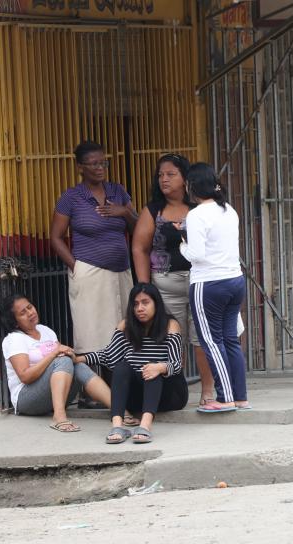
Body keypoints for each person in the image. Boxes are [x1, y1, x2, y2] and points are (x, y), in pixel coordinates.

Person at [130, 153, 241, 407]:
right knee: (170, 338)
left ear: (186, 179)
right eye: (160, 175)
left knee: (202, 340)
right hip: (165, 286)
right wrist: (145, 287)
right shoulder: (153, 210)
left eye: (171, 174)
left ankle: (208, 390)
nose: (164, 179)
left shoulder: (200, 208)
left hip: (201, 282)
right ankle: (175, 392)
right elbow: (139, 248)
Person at [50, 141, 138, 357]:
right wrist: (76, 266)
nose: (100, 168)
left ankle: (116, 389)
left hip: (121, 272)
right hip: (90, 273)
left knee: (124, 336)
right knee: (93, 339)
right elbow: (56, 237)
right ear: (80, 167)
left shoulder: (118, 191)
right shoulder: (71, 197)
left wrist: (124, 213)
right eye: (93, 164)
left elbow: (138, 229)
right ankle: (96, 389)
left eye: (103, 163)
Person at [80, 283, 186, 444]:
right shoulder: (126, 325)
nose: (140, 308)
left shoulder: (170, 325)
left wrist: (160, 367)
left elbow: (176, 364)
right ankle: (117, 425)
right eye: (135, 304)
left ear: (156, 303)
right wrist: (79, 358)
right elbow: (109, 356)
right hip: (137, 397)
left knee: (151, 368)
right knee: (122, 367)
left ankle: (145, 425)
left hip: (169, 395)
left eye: (145, 302)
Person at [182, 162, 249, 413]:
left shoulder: (196, 214)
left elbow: (196, 255)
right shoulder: (228, 209)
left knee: (211, 341)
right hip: (234, 280)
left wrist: (182, 245)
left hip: (208, 283)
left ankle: (224, 397)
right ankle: (240, 396)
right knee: (231, 340)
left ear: (192, 186)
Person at [0, 293, 111, 433]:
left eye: (30, 307)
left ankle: (118, 410)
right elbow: (25, 377)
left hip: (51, 397)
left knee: (76, 364)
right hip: (27, 399)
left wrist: (69, 354)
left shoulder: (45, 330)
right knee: (62, 360)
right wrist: (54, 354)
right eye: (23, 312)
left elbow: (61, 354)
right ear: (15, 321)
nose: (30, 313)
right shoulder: (14, 339)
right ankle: (59, 417)